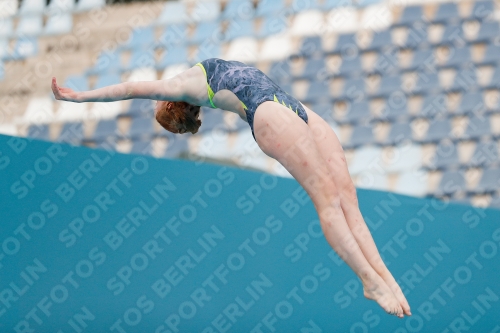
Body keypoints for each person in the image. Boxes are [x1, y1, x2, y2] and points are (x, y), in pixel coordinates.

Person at [52, 57, 411, 318]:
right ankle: (369, 281)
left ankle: (386, 278)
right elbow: (130, 89)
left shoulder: (190, 77)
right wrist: (79, 97)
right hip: (269, 114)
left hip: (291, 106)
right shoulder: (181, 86)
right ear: (168, 104)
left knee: (349, 198)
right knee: (328, 202)